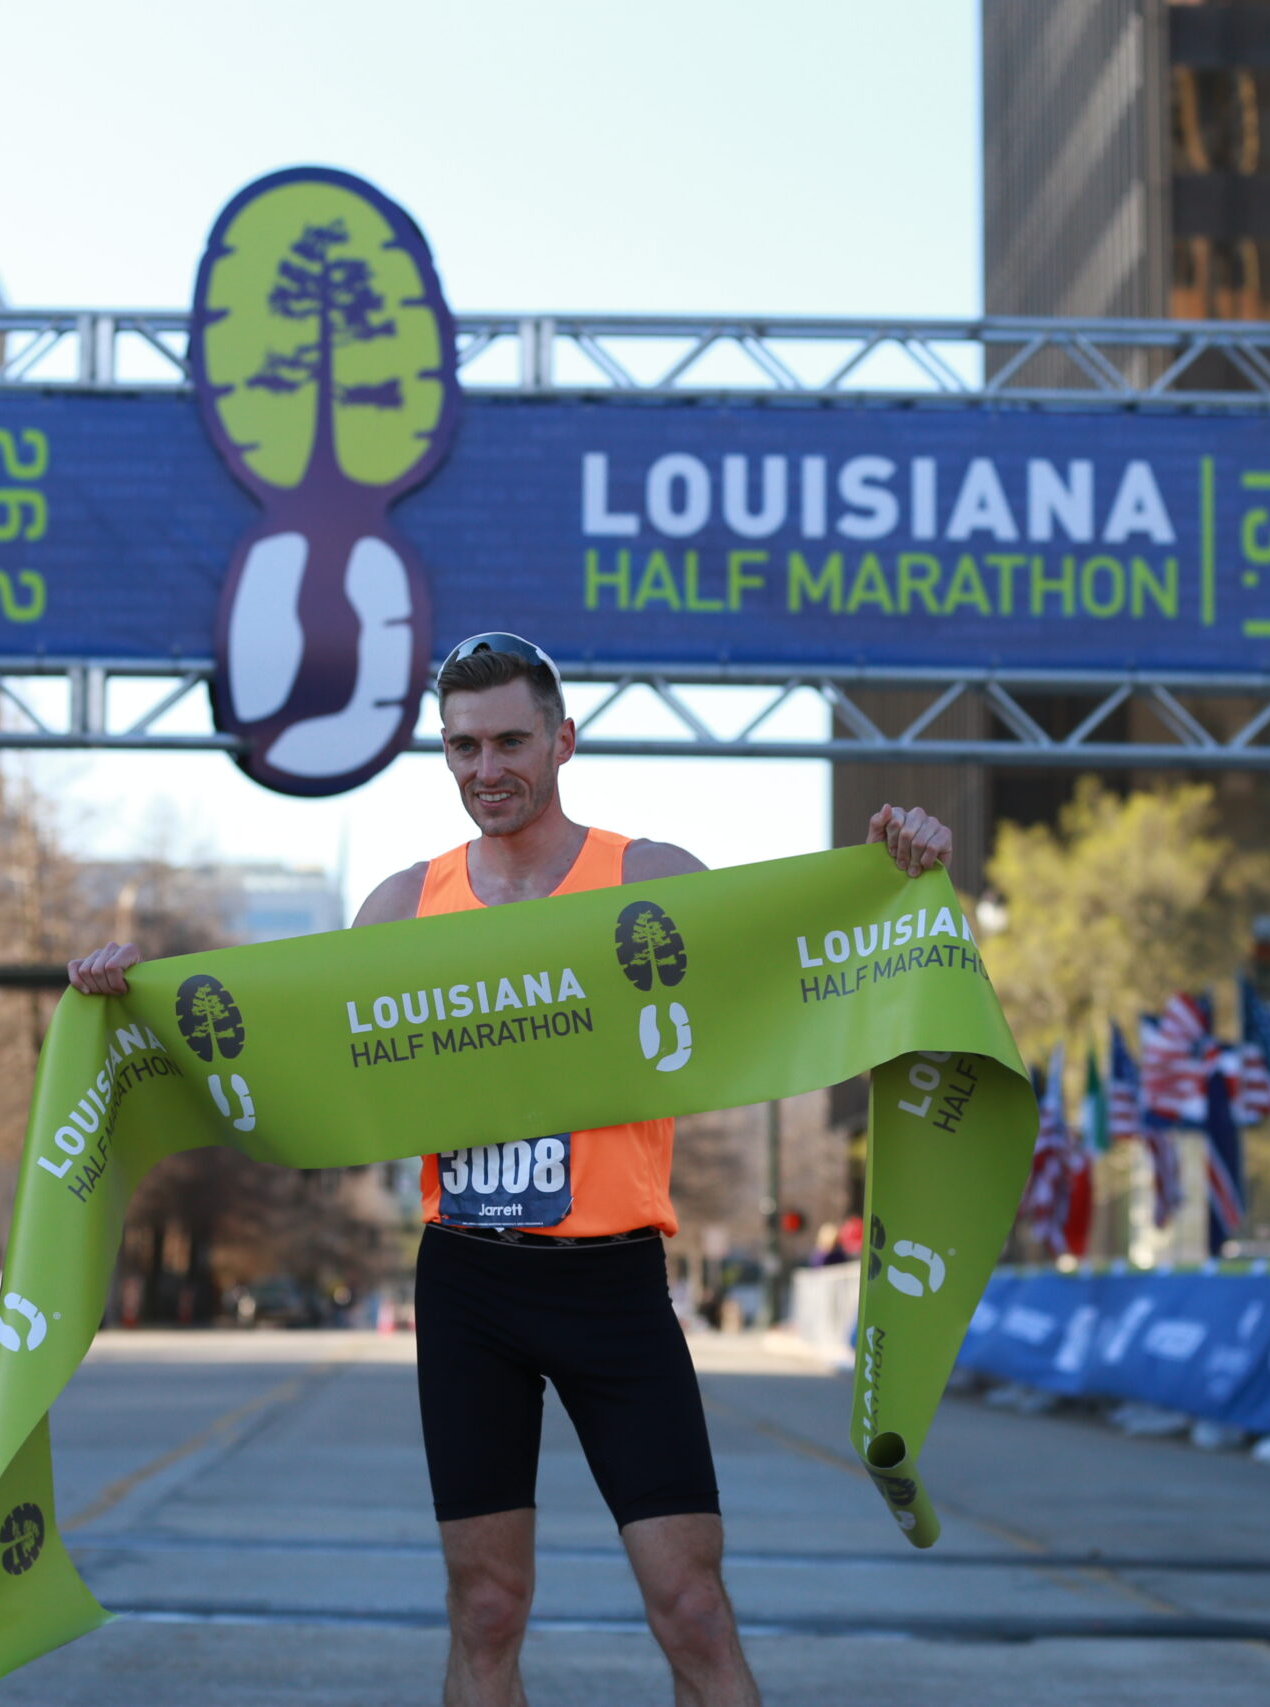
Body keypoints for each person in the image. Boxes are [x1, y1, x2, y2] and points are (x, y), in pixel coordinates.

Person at [69, 630, 953, 1707]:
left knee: (691, 1608)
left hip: (614, 1285)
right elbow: (280, 1037)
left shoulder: (651, 878)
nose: (485, 769)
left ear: (562, 740)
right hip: (469, 1286)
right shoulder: (401, 906)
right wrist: (135, 993)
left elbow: (795, 956)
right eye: (460, 747)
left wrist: (893, 863)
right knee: (485, 1610)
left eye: (509, 742)